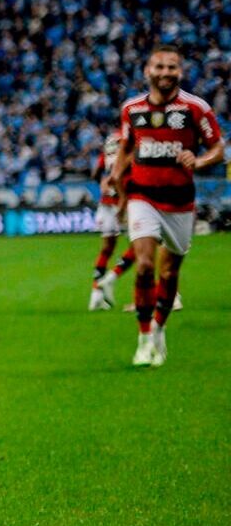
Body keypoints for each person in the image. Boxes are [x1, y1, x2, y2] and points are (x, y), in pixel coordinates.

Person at [108, 44, 221, 367]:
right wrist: (117, 182)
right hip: (143, 195)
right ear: (147, 71)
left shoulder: (195, 108)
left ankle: (159, 328)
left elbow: (217, 147)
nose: (165, 73)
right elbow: (127, 146)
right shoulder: (131, 109)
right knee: (144, 266)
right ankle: (143, 338)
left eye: (171, 67)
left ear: (180, 72)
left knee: (169, 273)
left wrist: (198, 160)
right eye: (159, 67)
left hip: (180, 202)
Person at [89, 131, 125, 311]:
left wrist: (102, 182)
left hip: (105, 202)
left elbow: (95, 172)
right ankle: (112, 277)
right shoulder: (128, 139)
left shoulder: (111, 141)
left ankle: (95, 294)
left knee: (106, 248)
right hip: (124, 200)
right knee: (143, 244)